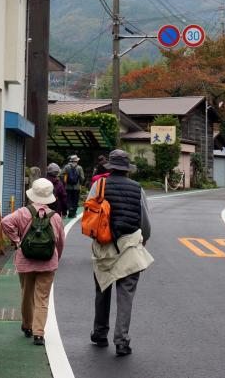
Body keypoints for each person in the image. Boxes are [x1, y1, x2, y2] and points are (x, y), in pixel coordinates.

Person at [89, 149, 153, 356]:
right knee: (126, 294)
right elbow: (145, 221)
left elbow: (90, 213)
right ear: (127, 169)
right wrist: (144, 239)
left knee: (102, 289)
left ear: (110, 167)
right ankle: (122, 340)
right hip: (129, 245)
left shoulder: (98, 185)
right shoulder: (137, 188)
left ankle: (99, 333)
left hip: (104, 245)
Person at [1, 178, 65, 345]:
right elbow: (60, 242)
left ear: (32, 194)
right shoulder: (55, 217)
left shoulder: (23, 212)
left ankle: (27, 326)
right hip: (48, 262)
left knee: (26, 295)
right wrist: (57, 257)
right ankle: (39, 333)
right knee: (42, 298)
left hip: (25, 261)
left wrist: (17, 241)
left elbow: (5, 222)